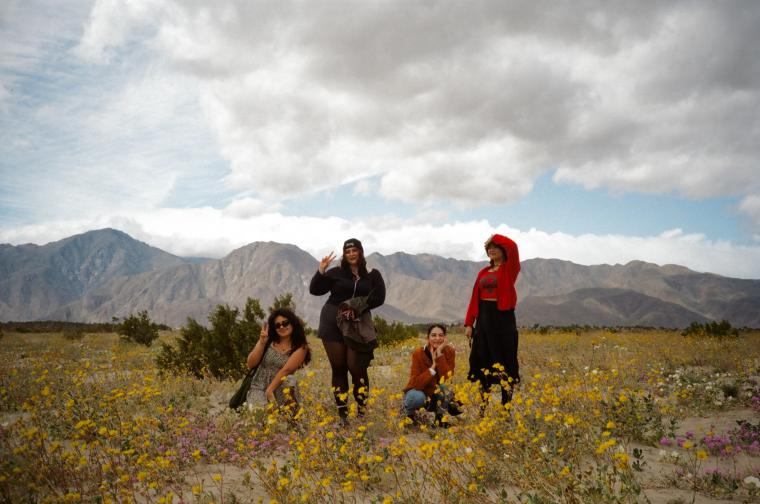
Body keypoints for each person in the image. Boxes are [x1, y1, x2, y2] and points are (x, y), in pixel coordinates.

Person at [309, 238, 386, 423]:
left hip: (357, 324)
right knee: (339, 369)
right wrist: (321, 271)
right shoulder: (336, 273)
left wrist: (358, 307)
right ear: (345, 254)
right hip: (332, 321)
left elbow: (379, 297)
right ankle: (343, 415)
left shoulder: (372, 274)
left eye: (354, 250)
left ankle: (361, 412)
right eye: (347, 251)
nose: (351, 254)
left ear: (360, 252)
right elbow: (315, 289)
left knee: (357, 368)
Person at [464, 233, 521, 410]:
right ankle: (483, 406)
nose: (491, 249)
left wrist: (494, 237)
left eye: (495, 247)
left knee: (505, 361)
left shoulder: (509, 269)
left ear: (504, 251)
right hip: (484, 319)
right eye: (489, 247)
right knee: (483, 360)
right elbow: (475, 298)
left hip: (503, 320)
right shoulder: (483, 272)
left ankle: (506, 407)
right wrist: (469, 323)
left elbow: (513, 246)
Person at [245, 308, 311, 410]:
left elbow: (287, 370)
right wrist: (262, 342)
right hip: (258, 386)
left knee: (284, 421)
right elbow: (250, 364)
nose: (281, 327)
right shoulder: (268, 340)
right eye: (277, 325)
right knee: (259, 414)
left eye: (285, 323)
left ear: (293, 323)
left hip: (282, 388)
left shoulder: (300, 347)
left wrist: (269, 391)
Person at [402, 323, 461, 427]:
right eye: (433, 335)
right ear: (428, 338)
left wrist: (439, 354)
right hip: (420, 391)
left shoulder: (450, 351)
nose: (437, 338)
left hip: (436, 392)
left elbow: (447, 378)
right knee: (417, 397)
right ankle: (409, 414)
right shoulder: (418, 354)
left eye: (441, 335)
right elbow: (416, 383)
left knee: (445, 388)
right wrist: (433, 367)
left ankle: (440, 418)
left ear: (445, 338)